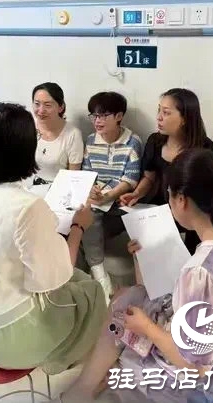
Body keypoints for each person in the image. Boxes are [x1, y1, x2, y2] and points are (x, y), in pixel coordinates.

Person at [64, 149, 213, 403]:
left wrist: (147, 328)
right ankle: (92, 382)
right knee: (132, 296)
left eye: (169, 194)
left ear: (181, 200)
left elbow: (195, 366)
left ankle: (87, 386)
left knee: (123, 311)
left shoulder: (202, 272)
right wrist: (142, 259)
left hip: (209, 390)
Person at [0, 103, 106, 374]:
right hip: (13, 340)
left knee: (71, 277)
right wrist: (78, 226)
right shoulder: (27, 207)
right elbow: (55, 278)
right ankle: (68, 359)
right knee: (91, 290)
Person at [119, 88, 213, 254]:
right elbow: (149, 177)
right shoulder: (155, 141)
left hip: (192, 215)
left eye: (166, 113)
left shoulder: (208, 151)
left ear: (185, 118)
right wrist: (137, 193)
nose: (159, 117)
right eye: (159, 110)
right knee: (141, 247)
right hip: (160, 210)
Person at [81, 91, 143, 299]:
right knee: (89, 214)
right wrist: (94, 190)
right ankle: (99, 274)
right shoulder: (91, 140)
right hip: (98, 201)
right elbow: (88, 173)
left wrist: (109, 196)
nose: (97, 121)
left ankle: (143, 285)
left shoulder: (133, 142)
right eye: (94, 115)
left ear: (119, 116)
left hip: (122, 201)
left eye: (103, 115)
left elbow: (130, 179)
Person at [31, 82, 84, 183]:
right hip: (28, 187)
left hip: (57, 188)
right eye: (37, 104)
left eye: (47, 105)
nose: (41, 110)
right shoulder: (28, 126)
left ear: (61, 107)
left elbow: (73, 176)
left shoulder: (73, 134)